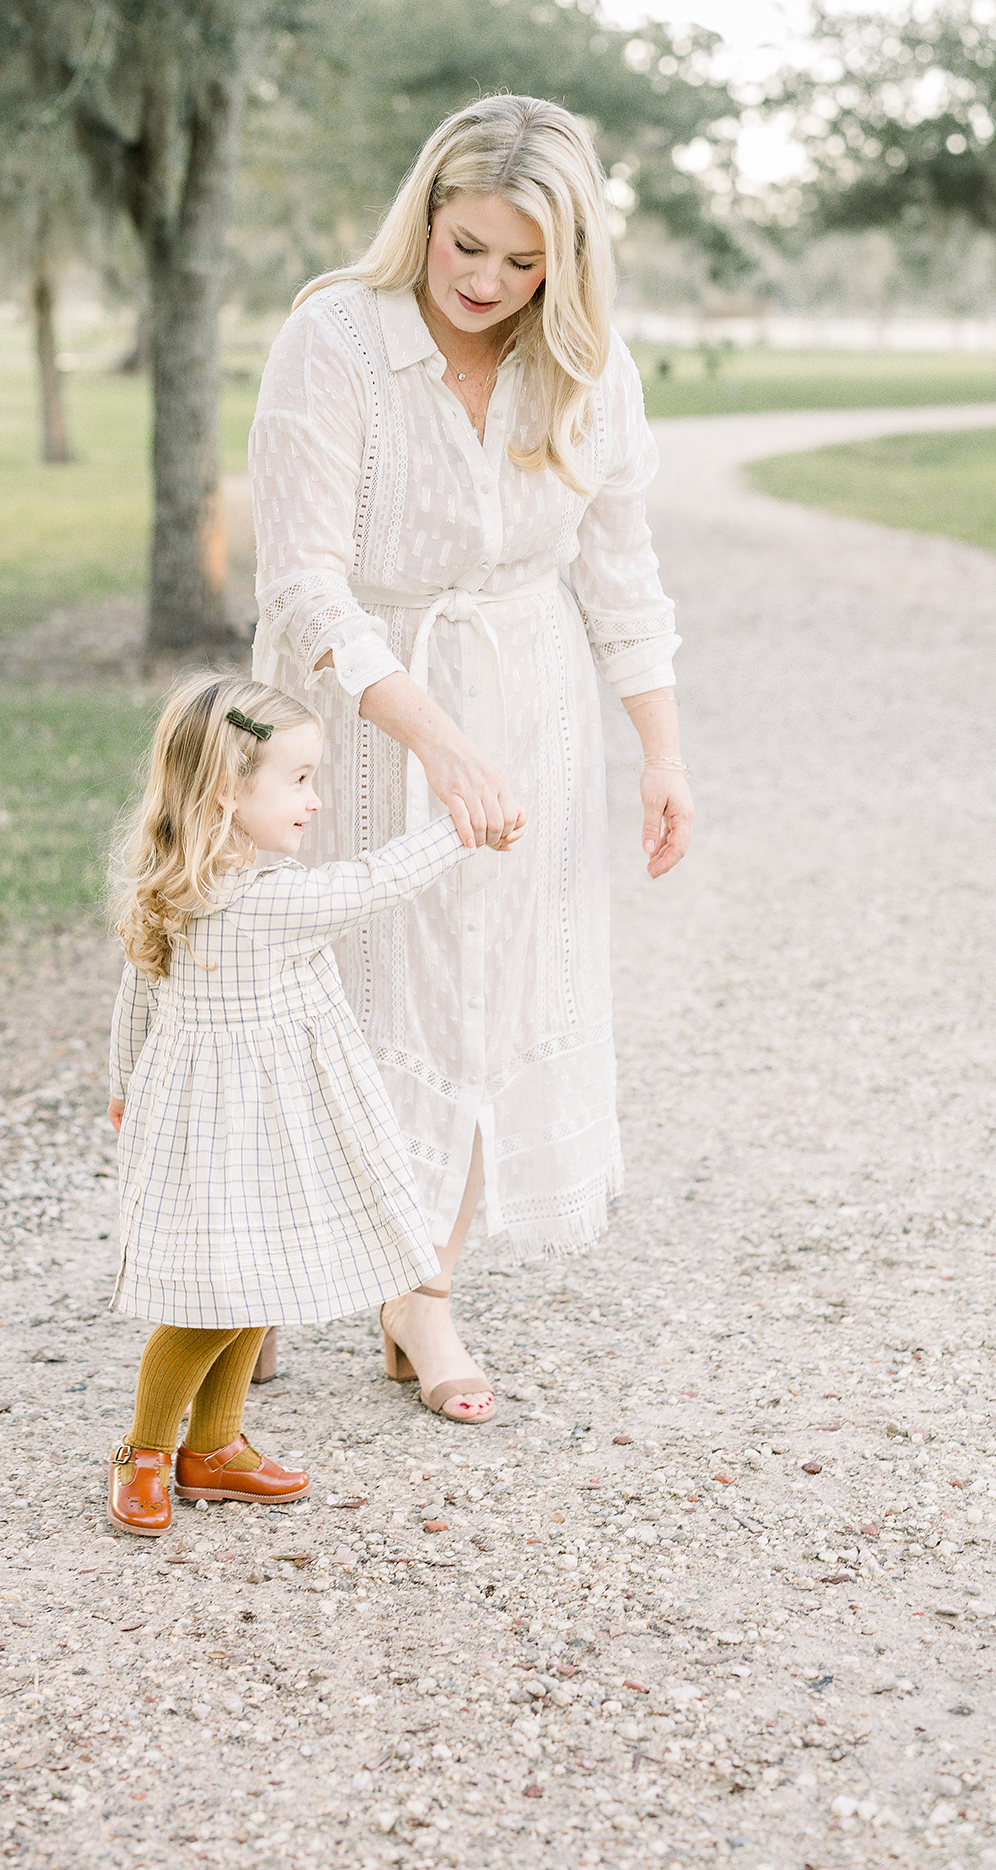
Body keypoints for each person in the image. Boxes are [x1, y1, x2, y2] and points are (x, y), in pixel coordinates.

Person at [248, 94, 693, 1423]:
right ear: (426, 218)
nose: (488, 284)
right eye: (467, 250)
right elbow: (306, 585)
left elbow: (623, 578)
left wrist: (662, 756)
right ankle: (254, 1275)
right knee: (322, 987)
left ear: (566, 259)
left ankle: (417, 1296)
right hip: (357, 709)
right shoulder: (332, 339)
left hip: (527, 701)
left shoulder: (592, 370)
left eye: (523, 261)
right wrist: (432, 742)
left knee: (484, 996)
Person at [104, 671, 513, 1538]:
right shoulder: (264, 902)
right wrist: (461, 825)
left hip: (259, 1124)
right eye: (297, 781)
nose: (316, 801)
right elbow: (371, 884)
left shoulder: (181, 881)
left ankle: (213, 1448)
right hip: (227, 1126)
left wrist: (123, 1079)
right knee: (206, 1305)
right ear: (225, 789)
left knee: (259, 1280)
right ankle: (143, 1451)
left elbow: (133, 1001)